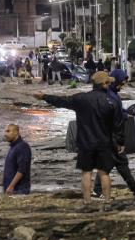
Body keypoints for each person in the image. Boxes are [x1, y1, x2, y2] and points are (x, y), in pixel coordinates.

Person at [34, 71, 124, 208]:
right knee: (104, 173)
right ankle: (107, 201)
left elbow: (62, 101)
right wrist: (120, 141)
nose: (110, 84)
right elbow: (118, 124)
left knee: (86, 173)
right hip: (105, 142)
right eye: (109, 82)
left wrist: (44, 96)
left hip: (85, 142)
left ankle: (87, 201)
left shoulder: (81, 99)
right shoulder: (112, 101)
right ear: (104, 84)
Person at [93, 69, 135, 199]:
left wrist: (125, 113)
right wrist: (124, 117)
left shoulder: (112, 94)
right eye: (120, 84)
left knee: (116, 164)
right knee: (116, 164)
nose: (121, 87)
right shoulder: (110, 95)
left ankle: (134, 189)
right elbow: (113, 115)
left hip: (110, 137)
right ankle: (133, 189)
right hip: (113, 137)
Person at [2, 124, 32, 195]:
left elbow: (22, 169)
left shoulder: (22, 146)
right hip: (12, 189)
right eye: (5, 132)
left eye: (8, 131)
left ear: (16, 132)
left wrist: (11, 186)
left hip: (19, 190)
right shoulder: (13, 147)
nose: (5, 134)